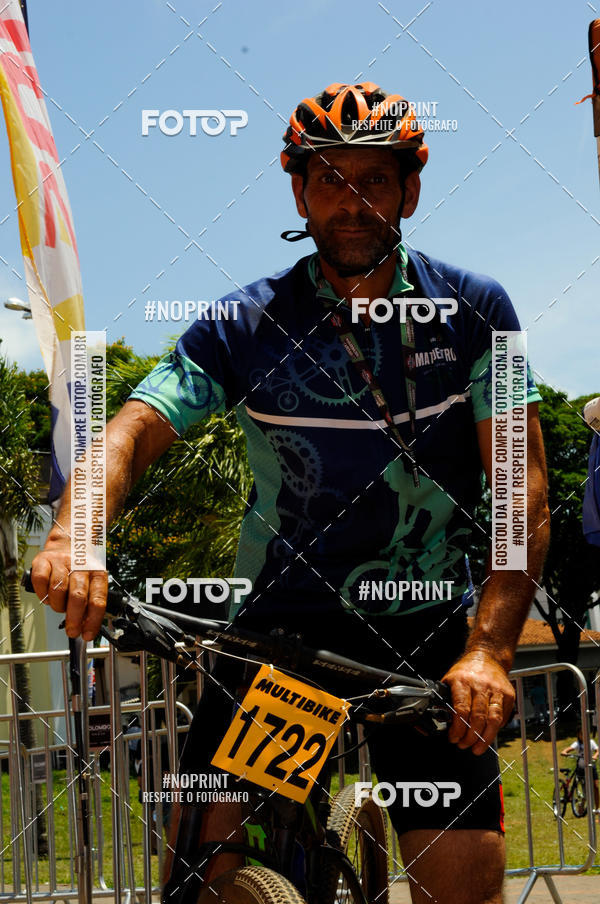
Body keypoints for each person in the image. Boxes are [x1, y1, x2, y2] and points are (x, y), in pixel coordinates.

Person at [31, 82, 550, 904]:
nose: (351, 202)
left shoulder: (479, 311)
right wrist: (75, 535)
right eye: (329, 180)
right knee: (205, 874)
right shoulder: (246, 321)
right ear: (300, 194)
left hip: (425, 634)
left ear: (409, 191)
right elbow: (132, 429)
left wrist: (488, 650)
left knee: (462, 885)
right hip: (283, 637)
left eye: (373, 180)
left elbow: (521, 492)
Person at [561, 727, 600, 814]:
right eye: (581, 734)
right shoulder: (577, 744)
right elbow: (569, 749)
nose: (584, 735)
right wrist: (564, 752)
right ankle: (581, 805)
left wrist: (595, 755)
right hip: (581, 768)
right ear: (578, 735)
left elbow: (597, 750)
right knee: (584, 789)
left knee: (596, 786)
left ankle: (597, 808)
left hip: (591, 767)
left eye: (585, 733)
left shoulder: (591, 742)